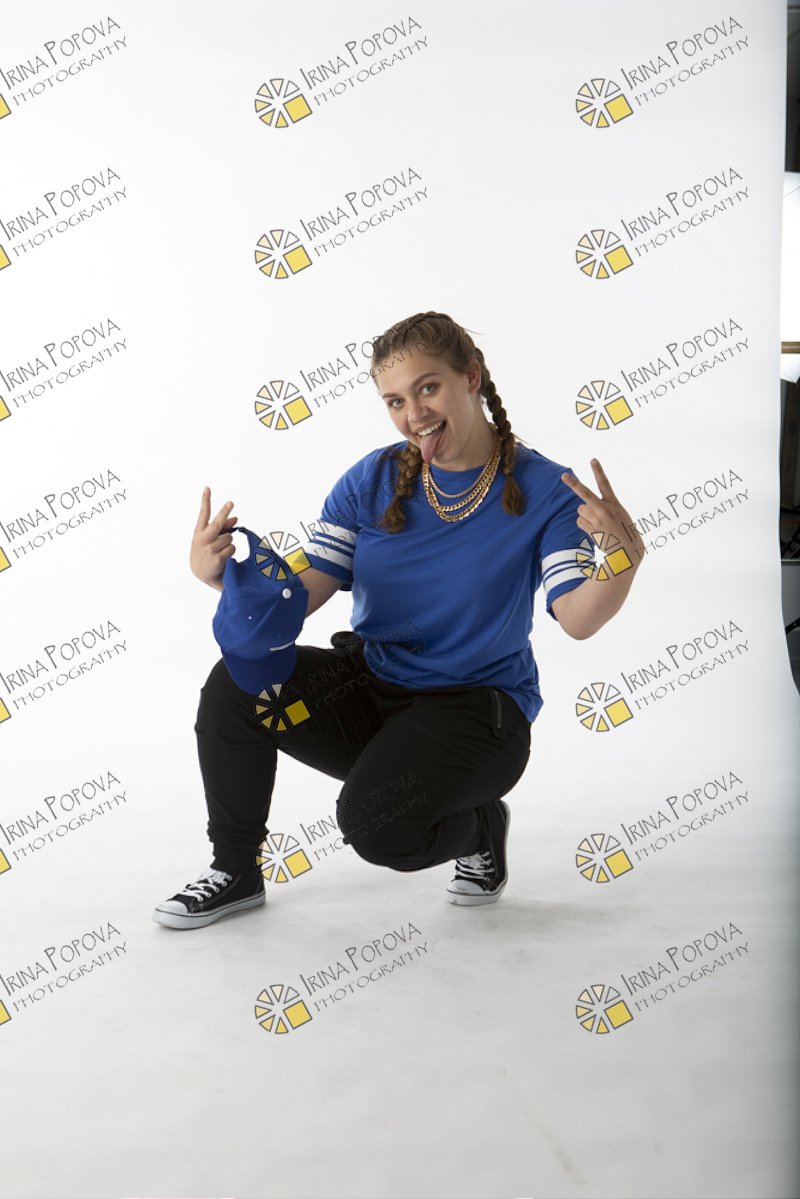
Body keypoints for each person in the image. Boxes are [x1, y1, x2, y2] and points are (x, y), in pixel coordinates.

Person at [152, 311, 646, 929]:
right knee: (237, 686)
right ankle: (236, 871)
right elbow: (299, 597)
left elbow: (577, 618)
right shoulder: (373, 478)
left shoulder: (545, 489)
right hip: (372, 689)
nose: (414, 414)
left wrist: (622, 559)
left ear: (472, 377)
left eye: (427, 387)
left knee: (376, 827)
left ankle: (480, 828)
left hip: (475, 713)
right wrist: (222, 579)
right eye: (394, 401)